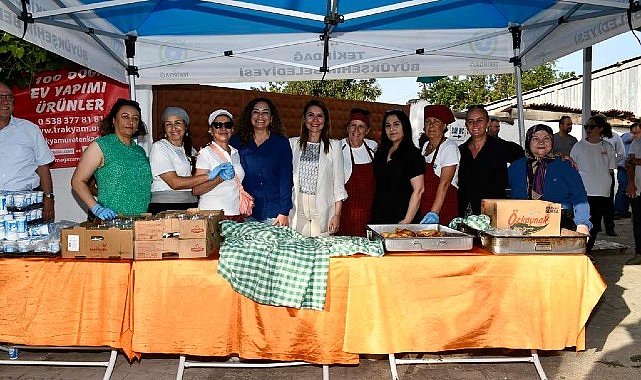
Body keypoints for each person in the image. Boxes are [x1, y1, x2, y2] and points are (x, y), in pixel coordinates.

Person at [71, 98, 152, 220]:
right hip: (112, 222)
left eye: (135, 118)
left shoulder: (140, 151)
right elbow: (77, 181)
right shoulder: (100, 146)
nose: (131, 121)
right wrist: (97, 209)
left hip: (141, 221)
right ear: (114, 120)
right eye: (125, 117)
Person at [508, 124, 591, 235]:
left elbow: (579, 196)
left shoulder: (564, 165)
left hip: (558, 226)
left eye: (546, 138)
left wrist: (582, 224)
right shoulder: (516, 167)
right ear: (528, 142)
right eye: (535, 138)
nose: (541, 142)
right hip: (522, 226)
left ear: (552, 142)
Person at [229, 97, 293, 226]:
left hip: (274, 213)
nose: (260, 116)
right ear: (250, 116)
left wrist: (284, 212)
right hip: (245, 211)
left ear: (271, 118)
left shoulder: (281, 143)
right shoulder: (237, 142)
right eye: (256, 112)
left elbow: (286, 178)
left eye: (265, 112)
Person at [289, 100, 347, 236]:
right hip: (298, 209)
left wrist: (337, 215)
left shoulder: (334, 146)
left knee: (321, 252)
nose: (315, 120)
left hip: (323, 210)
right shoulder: (292, 144)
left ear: (325, 120)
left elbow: (338, 185)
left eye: (320, 116)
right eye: (310, 115)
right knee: (299, 250)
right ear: (304, 119)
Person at [0, 81, 55, 221]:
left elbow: (43, 166)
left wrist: (48, 198)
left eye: (9, 97)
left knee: (28, 243)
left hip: (26, 203)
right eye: (0, 97)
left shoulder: (29, 129)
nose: (5, 101)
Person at [147, 107, 219, 214]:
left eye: (177, 123)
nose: (173, 128)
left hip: (191, 205)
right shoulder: (160, 147)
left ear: (185, 126)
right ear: (164, 128)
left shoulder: (190, 150)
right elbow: (174, 183)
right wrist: (208, 176)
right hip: (166, 207)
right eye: (168, 124)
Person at [457, 105, 524, 216]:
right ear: (466, 125)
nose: (475, 125)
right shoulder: (460, 151)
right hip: (466, 212)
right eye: (470, 121)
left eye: (480, 120)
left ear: (488, 123)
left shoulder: (503, 147)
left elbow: (530, 159)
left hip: (494, 212)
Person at [570, 116, 616, 253]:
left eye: (592, 127)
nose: (588, 130)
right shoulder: (578, 146)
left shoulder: (608, 147)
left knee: (595, 224)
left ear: (600, 129)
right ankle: (578, 250)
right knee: (580, 222)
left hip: (602, 191)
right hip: (583, 191)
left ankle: (587, 251)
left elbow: (610, 169)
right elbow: (572, 168)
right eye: (586, 127)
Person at [371, 109, 424, 224]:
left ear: (404, 126)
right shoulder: (381, 153)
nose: (391, 129)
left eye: (396, 124)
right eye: (387, 125)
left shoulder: (412, 155)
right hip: (379, 217)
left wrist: (406, 220)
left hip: (402, 219)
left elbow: (418, 190)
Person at [192, 109, 242, 218]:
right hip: (212, 214)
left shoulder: (235, 153)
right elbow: (196, 190)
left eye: (227, 125)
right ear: (211, 130)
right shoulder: (205, 153)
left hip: (235, 214)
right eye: (218, 125)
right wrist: (220, 178)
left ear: (232, 129)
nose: (223, 128)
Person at [337, 107, 377, 236]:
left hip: (368, 212)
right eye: (353, 125)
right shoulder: (338, 147)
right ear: (347, 128)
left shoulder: (373, 148)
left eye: (361, 126)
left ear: (367, 130)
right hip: (345, 212)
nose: (356, 130)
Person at [418, 105, 459, 226]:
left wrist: (434, 212)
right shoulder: (425, 146)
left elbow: (445, 183)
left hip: (443, 208)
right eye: (427, 121)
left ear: (444, 125)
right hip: (425, 205)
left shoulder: (449, 147)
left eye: (436, 121)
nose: (431, 126)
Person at [602, 120, 626, 236]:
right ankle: (595, 226)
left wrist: (612, 163)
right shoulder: (592, 138)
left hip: (608, 171)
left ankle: (609, 227)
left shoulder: (615, 137)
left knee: (608, 200)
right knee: (593, 199)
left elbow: (621, 154)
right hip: (594, 172)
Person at [615, 122, 641, 218]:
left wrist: (636, 161)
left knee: (628, 190)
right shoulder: (627, 136)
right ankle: (618, 210)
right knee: (623, 188)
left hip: (633, 168)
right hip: (624, 168)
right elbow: (630, 161)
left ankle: (624, 210)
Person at [625, 136, 641, 265]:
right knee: (638, 222)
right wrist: (630, 183)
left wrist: (637, 161)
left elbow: (633, 160)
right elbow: (629, 162)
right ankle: (639, 253)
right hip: (639, 188)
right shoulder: (636, 142)